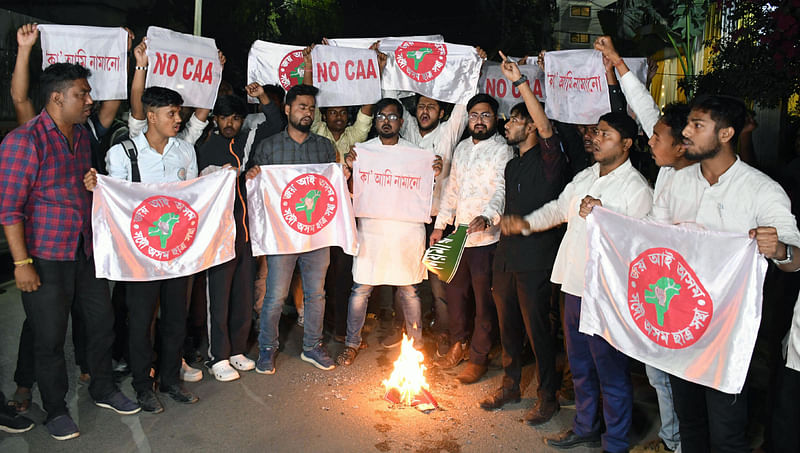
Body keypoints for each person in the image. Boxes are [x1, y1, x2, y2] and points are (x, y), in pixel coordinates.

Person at [639, 95, 800, 453]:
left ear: (726, 133)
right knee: (690, 420)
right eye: (688, 124)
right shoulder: (678, 182)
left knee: (726, 431)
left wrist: (780, 250)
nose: (686, 132)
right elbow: (652, 237)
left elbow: (796, 259)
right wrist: (608, 220)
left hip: (728, 334)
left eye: (697, 125)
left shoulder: (761, 190)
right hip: (680, 327)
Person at [1, 63, 141, 440]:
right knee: (48, 337)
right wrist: (21, 264)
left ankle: (103, 388)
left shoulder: (81, 137)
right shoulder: (24, 141)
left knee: (100, 324)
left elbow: (82, 187)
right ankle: (56, 408)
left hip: (84, 251)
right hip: (44, 257)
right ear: (57, 97)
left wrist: (93, 183)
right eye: (82, 93)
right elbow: (9, 209)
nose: (89, 100)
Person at [505, 111, 653, 452]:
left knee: (610, 370)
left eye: (605, 134)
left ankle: (615, 441)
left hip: (606, 293)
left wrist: (606, 213)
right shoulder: (586, 176)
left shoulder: (637, 188)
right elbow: (559, 209)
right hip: (574, 283)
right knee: (580, 365)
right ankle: (585, 426)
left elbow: (642, 241)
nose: (596, 138)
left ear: (627, 144)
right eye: (596, 132)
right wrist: (525, 223)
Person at [594, 34, 691, 453]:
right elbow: (650, 112)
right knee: (656, 373)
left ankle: (681, 442)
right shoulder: (669, 170)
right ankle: (671, 439)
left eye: (657, 138)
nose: (650, 142)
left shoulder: (697, 181)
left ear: (683, 144)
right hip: (658, 286)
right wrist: (618, 64)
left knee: (681, 377)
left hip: (683, 294)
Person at [86, 86, 201, 413]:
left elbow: (190, 197)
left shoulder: (185, 152)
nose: (178, 119)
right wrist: (98, 187)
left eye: (178, 113)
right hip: (140, 257)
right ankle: (142, 385)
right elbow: (115, 201)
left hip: (177, 254)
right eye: (171, 113)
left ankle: (169, 379)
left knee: (176, 319)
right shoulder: (123, 153)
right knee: (140, 322)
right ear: (150, 116)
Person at [478, 54, 568, 427]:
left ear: (531, 127)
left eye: (515, 120)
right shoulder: (513, 163)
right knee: (508, 327)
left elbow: (547, 127)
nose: (507, 124)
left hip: (535, 259)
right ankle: (510, 385)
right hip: (506, 257)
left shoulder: (550, 159)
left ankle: (547, 395)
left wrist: (521, 83)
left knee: (538, 331)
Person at [335, 98, 442, 365]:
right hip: (372, 231)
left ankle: (416, 346)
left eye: (392, 117)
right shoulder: (362, 152)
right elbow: (347, 189)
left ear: (401, 122)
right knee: (361, 289)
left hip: (406, 233)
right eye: (381, 116)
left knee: (409, 290)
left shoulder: (416, 155)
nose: (386, 121)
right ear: (375, 121)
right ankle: (351, 342)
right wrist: (349, 167)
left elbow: (426, 191)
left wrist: (435, 172)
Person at [246, 84, 338, 374]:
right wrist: (253, 177)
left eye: (311, 108)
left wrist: (343, 171)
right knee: (275, 296)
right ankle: (266, 348)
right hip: (282, 237)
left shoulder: (324, 147)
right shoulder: (269, 146)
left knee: (316, 294)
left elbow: (330, 189)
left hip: (316, 235)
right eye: (301, 107)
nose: (307, 112)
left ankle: (312, 346)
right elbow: (257, 189)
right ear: (286, 109)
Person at [400, 47, 486, 352]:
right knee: (408, 278)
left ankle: (450, 334)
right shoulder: (408, 131)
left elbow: (464, 104)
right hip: (409, 219)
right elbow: (392, 99)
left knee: (440, 282)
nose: (425, 111)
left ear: (441, 113)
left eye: (431, 107)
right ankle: (412, 333)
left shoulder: (449, 135)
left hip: (439, 221)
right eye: (421, 106)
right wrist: (385, 66)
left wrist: (473, 65)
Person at [430, 93, 514, 384]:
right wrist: (441, 226)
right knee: (455, 295)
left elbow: (502, 190)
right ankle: (459, 343)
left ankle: (479, 357)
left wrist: (489, 216)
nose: (479, 121)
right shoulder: (463, 148)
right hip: (460, 237)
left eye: (485, 115)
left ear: (495, 118)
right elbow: (452, 190)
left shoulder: (502, 151)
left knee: (483, 301)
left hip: (487, 238)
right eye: (474, 116)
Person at [195, 95, 261, 381]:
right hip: (217, 238)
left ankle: (236, 349)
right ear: (215, 119)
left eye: (235, 118)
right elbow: (193, 185)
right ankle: (217, 356)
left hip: (244, 235)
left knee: (243, 296)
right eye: (224, 117)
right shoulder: (205, 147)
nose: (230, 123)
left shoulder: (244, 147)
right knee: (217, 299)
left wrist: (251, 173)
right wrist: (213, 175)